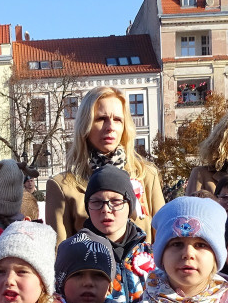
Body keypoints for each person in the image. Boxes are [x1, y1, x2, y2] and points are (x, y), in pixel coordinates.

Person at [46, 86, 164, 243]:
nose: (110, 127)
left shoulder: (146, 175)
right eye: (101, 119)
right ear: (85, 125)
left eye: (117, 120)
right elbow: (59, 252)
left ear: (125, 126)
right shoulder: (63, 186)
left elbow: (164, 241)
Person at [80, 166, 156, 303]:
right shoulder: (77, 254)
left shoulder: (152, 254)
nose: (106, 209)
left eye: (115, 201)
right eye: (96, 202)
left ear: (130, 204)